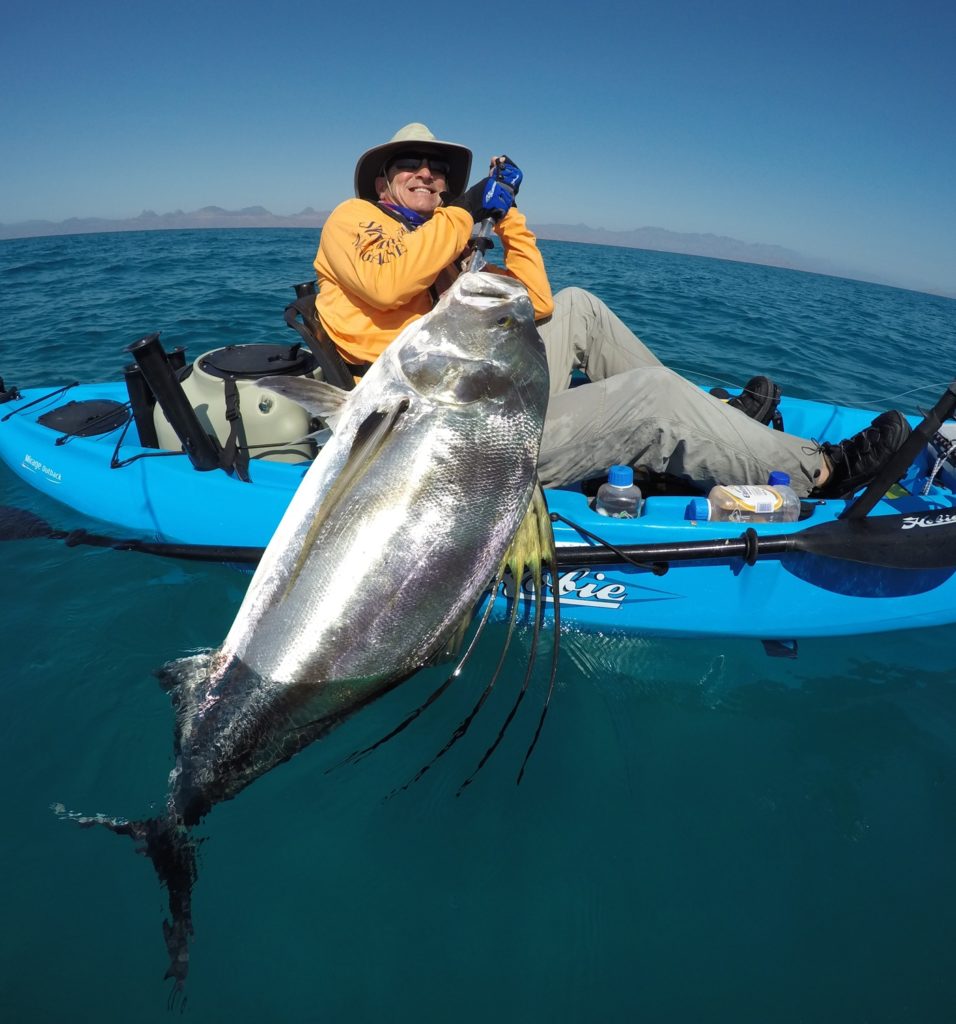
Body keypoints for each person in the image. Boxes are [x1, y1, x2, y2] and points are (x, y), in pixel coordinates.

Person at [312, 123, 911, 497]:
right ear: (383, 183)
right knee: (649, 396)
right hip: (439, 434)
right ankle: (823, 471)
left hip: (475, 391)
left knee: (580, 307)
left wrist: (508, 216)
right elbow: (388, 283)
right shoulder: (355, 220)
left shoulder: (446, 240)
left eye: (437, 170)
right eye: (410, 166)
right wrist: (468, 211)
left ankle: (712, 418)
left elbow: (538, 305)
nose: (426, 174)